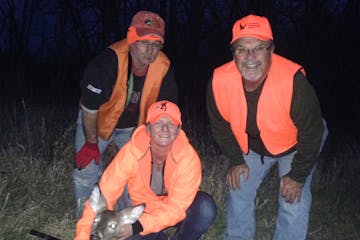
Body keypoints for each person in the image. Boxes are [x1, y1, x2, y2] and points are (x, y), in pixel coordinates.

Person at [206, 14, 328, 240]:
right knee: (238, 186)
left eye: (259, 47)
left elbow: (312, 133)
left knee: (292, 199)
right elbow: (220, 126)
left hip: (297, 145)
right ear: (233, 54)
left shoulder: (293, 82)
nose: (250, 57)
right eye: (242, 49)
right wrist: (235, 160)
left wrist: (298, 175)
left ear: (271, 50)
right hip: (252, 146)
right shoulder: (218, 80)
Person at [72, 11, 178, 218]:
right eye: (144, 42)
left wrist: (158, 146)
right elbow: (90, 107)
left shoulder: (164, 68)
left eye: (157, 44)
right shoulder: (107, 62)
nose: (151, 50)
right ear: (132, 39)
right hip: (97, 121)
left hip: (134, 127)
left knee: (138, 173)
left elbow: (167, 112)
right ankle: (87, 222)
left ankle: (127, 222)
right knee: (86, 170)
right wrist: (91, 142)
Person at [75, 100, 217, 240]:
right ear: (148, 128)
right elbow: (104, 195)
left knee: (205, 208)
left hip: (164, 215)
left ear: (179, 129)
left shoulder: (188, 158)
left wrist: (138, 226)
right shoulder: (131, 152)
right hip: (140, 211)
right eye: (158, 123)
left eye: (171, 123)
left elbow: (177, 209)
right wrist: (82, 236)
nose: (165, 129)